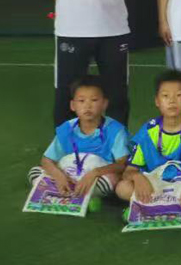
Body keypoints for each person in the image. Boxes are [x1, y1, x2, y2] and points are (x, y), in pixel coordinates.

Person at [115, 70, 181, 211]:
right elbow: (129, 171)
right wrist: (138, 178)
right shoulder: (148, 130)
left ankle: (156, 204)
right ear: (157, 101)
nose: (172, 101)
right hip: (157, 186)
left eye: (179, 95)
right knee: (122, 188)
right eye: (165, 96)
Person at [29, 75, 130, 211]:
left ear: (105, 104)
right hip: (69, 174)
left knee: (113, 179)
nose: (87, 106)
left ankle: (72, 194)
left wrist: (95, 173)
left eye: (94, 100)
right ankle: (77, 194)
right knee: (35, 172)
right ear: (73, 105)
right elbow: (46, 160)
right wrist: (59, 176)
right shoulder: (66, 129)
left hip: (97, 176)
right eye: (81, 101)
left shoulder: (115, 130)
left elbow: (123, 164)